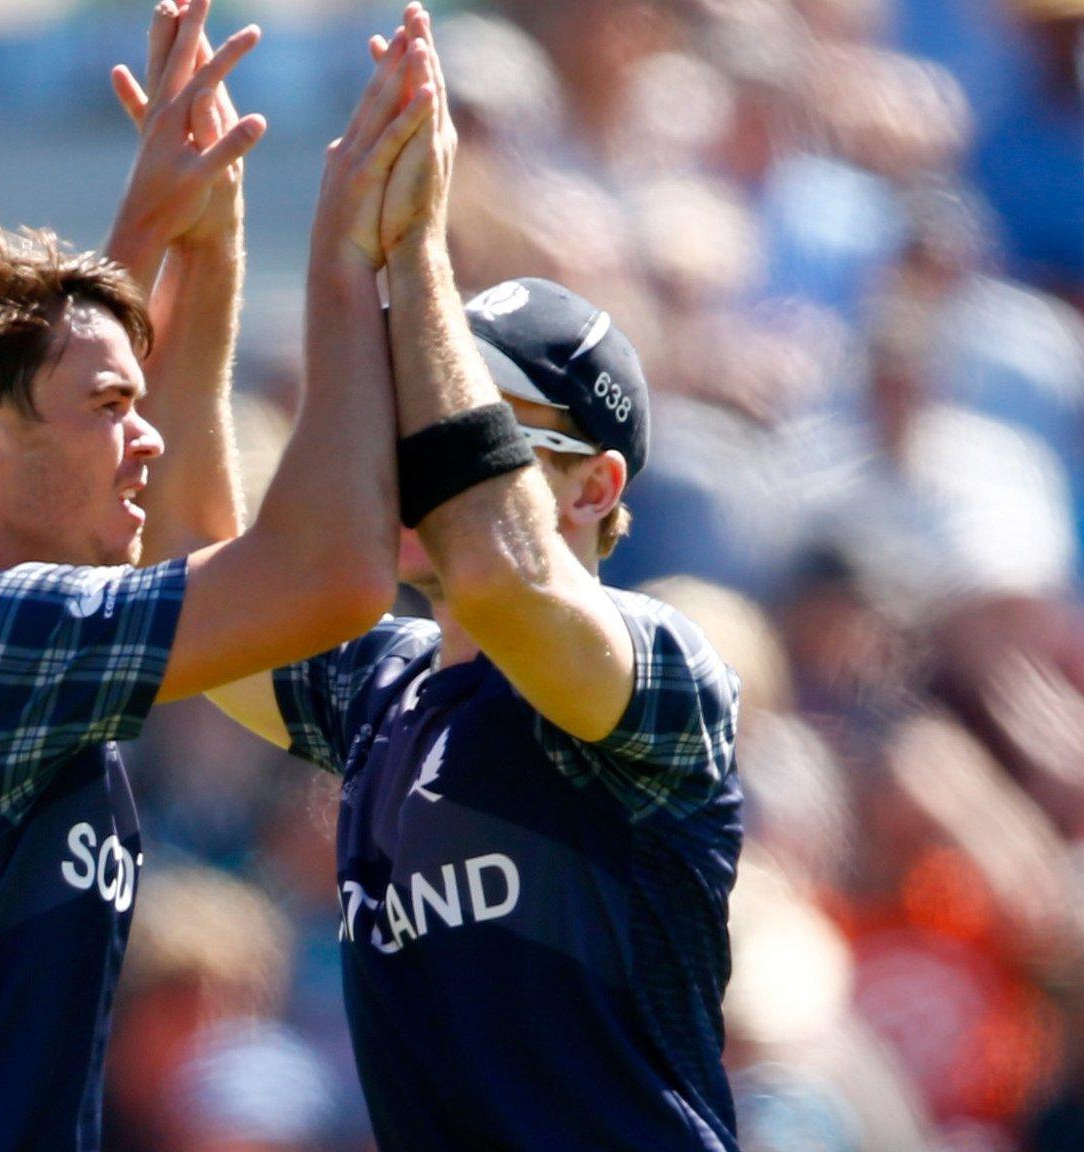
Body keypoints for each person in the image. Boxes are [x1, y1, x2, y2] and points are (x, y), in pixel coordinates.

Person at [0, 4, 437, 1147]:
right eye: (112, 411)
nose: (145, 436)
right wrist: (354, 260)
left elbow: (191, 557)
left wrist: (198, 248)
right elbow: (325, 578)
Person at [203, 13, 744, 1149]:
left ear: (594, 488)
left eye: (479, 430)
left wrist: (410, 258)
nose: (421, 461)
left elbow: (503, 578)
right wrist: (201, 262)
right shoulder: (378, 695)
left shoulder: (661, 673)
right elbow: (201, 585)